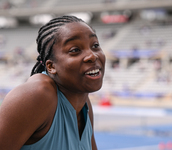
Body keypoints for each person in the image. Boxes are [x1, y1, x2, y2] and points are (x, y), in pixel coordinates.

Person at [0, 15, 106, 150]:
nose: (92, 55)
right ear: (51, 67)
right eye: (75, 50)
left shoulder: (83, 104)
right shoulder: (36, 95)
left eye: (95, 45)